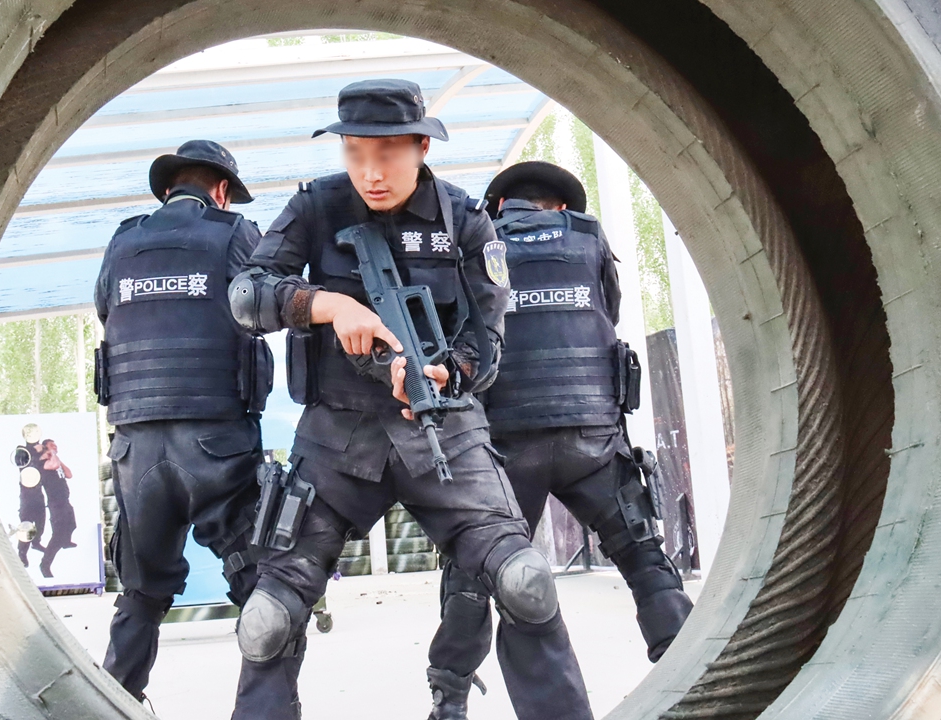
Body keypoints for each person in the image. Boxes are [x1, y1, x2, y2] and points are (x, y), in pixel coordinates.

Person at [228, 79, 594, 720]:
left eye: (389, 154)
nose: (370, 173)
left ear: (423, 145)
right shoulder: (316, 209)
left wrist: (449, 373)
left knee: (527, 585)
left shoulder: (468, 223)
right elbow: (246, 294)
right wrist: (325, 304)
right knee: (266, 620)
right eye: (356, 154)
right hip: (336, 445)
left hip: (446, 436)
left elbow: (489, 348)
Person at [423, 162, 695, 718]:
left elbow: (452, 336)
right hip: (594, 441)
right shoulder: (591, 237)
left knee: (480, 575)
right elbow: (608, 314)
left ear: (498, 206)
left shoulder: (476, 241)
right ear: (562, 207)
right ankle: (694, 676)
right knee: (644, 557)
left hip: (504, 446)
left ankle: (449, 700)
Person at [94, 140, 273, 701]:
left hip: (136, 448)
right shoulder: (234, 233)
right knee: (260, 586)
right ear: (221, 191)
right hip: (216, 441)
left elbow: (105, 308)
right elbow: (266, 306)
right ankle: (262, 712)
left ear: (168, 188)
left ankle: (114, 705)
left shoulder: (123, 241)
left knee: (141, 595)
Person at [37, 438, 77, 578]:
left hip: (64, 500)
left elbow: (69, 474)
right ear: (45, 448)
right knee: (57, 536)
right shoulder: (43, 463)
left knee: (72, 525)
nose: (55, 447)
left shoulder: (56, 460)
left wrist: (57, 457)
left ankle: (65, 541)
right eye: (51, 445)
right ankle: (45, 564)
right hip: (56, 503)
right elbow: (52, 466)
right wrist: (53, 455)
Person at [12, 423, 48, 567]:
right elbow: (22, 463)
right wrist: (36, 452)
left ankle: (36, 542)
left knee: (41, 521)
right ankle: (22, 553)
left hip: (38, 492)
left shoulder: (41, 450)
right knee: (26, 524)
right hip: (26, 494)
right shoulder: (21, 450)